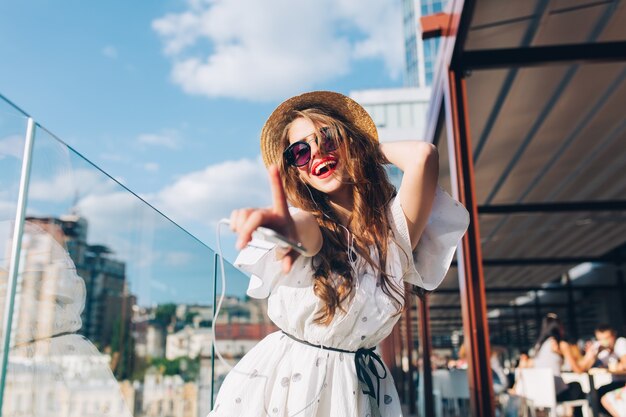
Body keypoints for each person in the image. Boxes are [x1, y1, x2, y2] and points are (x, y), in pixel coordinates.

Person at [208, 91, 469, 416]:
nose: (316, 152)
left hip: (358, 391)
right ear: (297, 170)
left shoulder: (393, 234)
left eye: (328, 138)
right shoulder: (311, 223)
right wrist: (285, 229)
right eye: (300, 151)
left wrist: (360, 145)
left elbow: (423, 156)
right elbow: (304, 231)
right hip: (288, 384)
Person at [530, 313, 586, 416]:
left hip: (541, 393)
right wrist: (590, 356)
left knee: (573, 387)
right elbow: (578, 369)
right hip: (554, 392)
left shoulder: (538, 346)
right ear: (558, 327)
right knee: (577, 386)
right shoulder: (559, 344)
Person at [580, 324, 626, 414]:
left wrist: (618, 366)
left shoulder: (620, 343)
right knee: (593, 397)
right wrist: (592, 354)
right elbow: (583, 368)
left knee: (603, 398)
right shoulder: (601, 350)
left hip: (623, 382)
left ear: (614, 335)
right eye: (600, 339)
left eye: (607, 338)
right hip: (616, 382)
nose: (605, 341)